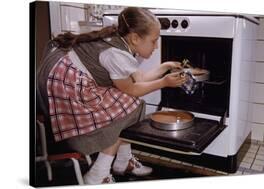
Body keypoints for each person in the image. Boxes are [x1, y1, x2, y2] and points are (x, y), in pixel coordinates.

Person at [37, 7, 187, 185]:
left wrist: (165, 67)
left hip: (63, 81)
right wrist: (164, 83)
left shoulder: (120, 43)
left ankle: (123, 162)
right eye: (154, 41)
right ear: (135, 38)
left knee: (129, 103)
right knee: (131, 104)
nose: (156, 46)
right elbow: (132, 90)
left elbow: (139, 78)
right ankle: (98, 175)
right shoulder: (116, 54)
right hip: (63, 89)